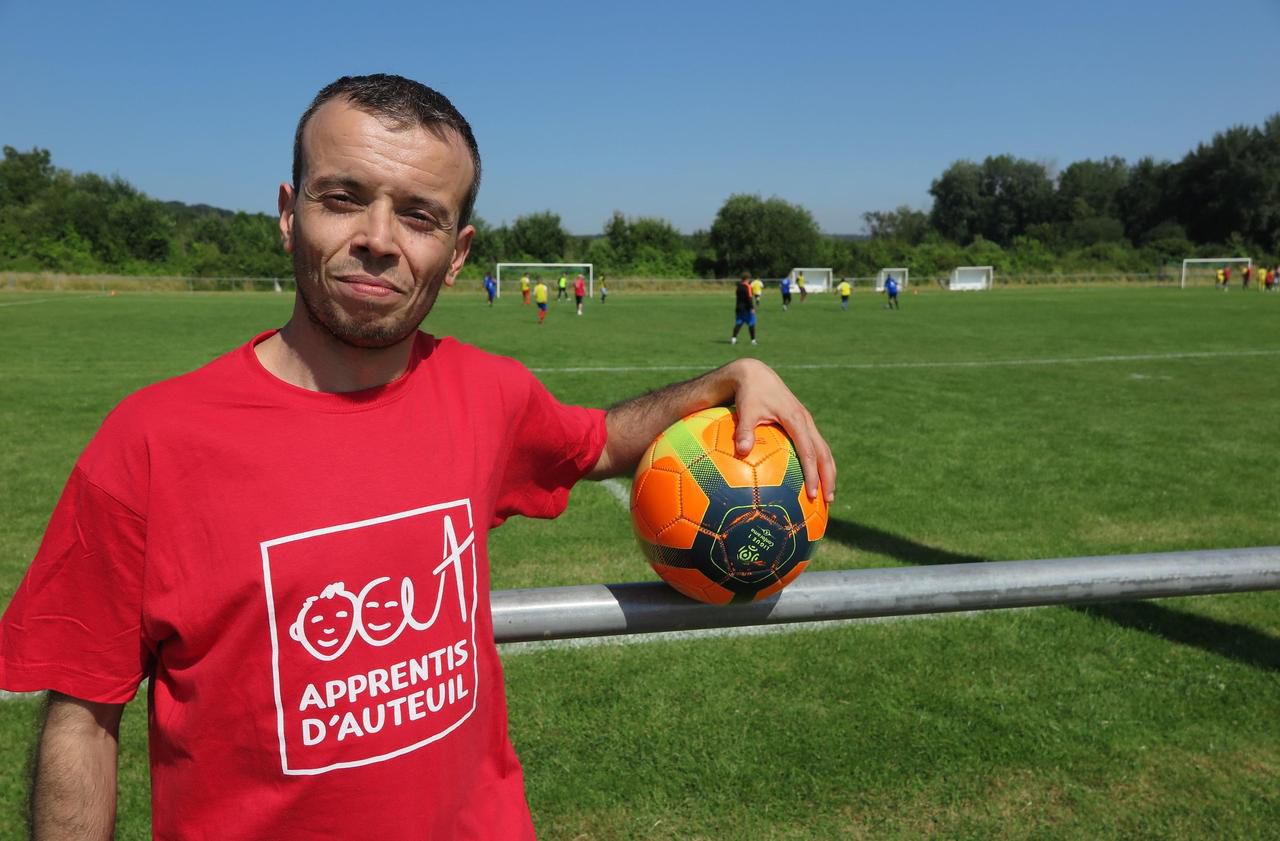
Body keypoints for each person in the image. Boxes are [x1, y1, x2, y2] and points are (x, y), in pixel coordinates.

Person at [0, 73, 836, 841]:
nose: (378, 239)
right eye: (344, 197)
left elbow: (601, 440)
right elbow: (81, 717)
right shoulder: (150, 442)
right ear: (290, 212)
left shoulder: (487, 394)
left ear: (459, 250)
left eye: (418, 214)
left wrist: (731, 377)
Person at [731, 271, 758, 346]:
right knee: (751, 323)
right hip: (746, 309)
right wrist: (752, 308)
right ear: (747, 278)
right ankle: (753, 341)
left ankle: (733, 339)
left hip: (738, 308)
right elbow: (749, 298)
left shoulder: (738, 287)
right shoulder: (748, 287)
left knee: (738, 323)